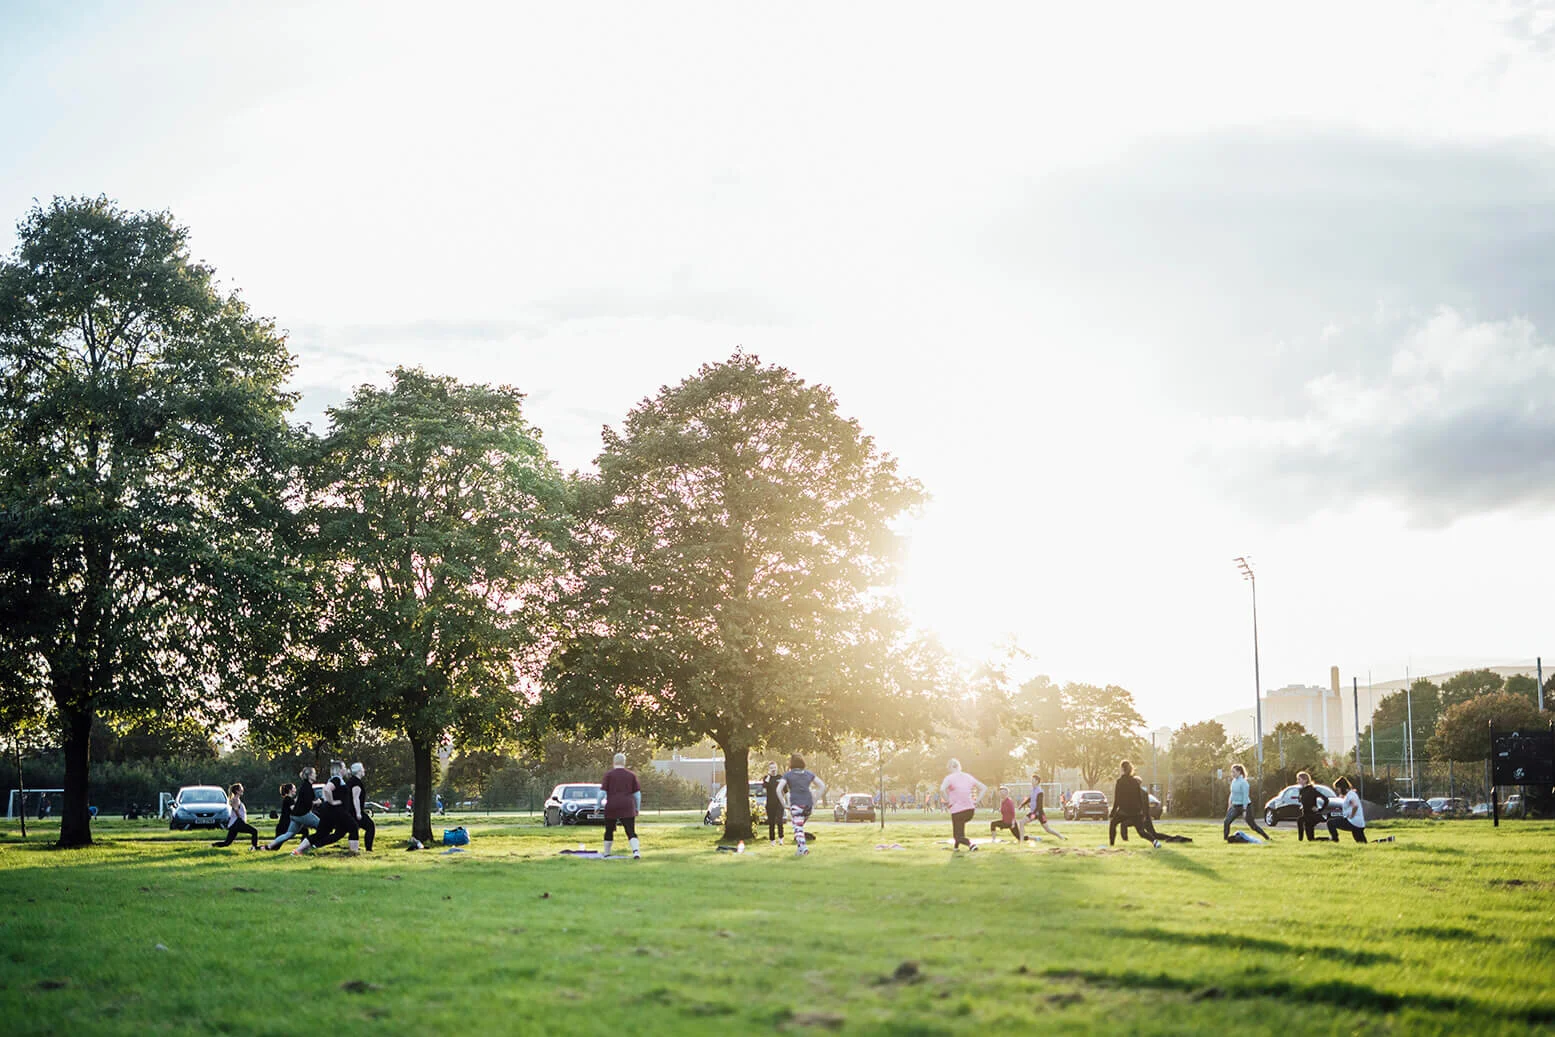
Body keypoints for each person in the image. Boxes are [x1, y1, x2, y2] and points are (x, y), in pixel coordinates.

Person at [294, 761, 352, 855]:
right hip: (330, 812)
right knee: (351, 827)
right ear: (340, 769)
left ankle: (303, 849)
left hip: (330, 811)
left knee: (323, 833)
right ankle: (354, 852)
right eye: (344, 767)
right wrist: (331, 802)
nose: (345, 769)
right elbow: (326, 790)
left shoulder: (337, 780)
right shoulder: (336, 779)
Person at [778, 755, 826, 857]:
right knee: (798, 827)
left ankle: (803, 849)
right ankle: (800, 850)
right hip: (808, 805)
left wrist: (784, 804)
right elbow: (822, 785)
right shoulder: (808, 774)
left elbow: (778, 789)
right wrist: (815, 801)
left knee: (798, 827)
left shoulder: (788, 775)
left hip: (796, 804)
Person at [600, 751, 643, 859]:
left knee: (609, 830)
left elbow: (602, 792)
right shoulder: (631, 775)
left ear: (613, 762)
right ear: (624, 762)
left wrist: (597, 805)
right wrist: (637, 808)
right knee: (630, 830)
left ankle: (606, 853)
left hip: (612, 805)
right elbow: (637, 794)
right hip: (627, 806)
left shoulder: (608, 775)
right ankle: (636, 852)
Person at [265, 768, 320, 850]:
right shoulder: (307, 787)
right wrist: (316, 802)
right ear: (309, 775)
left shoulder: (305, 786)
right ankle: (311, 846)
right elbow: (307, 803)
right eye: (314, 773)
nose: (316, 775)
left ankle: (268, 846)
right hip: (302, 814)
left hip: (295, 815)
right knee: (321, 826)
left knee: (289, 834)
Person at [941, 759, 987, 851]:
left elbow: (942, 790)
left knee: (957, 835)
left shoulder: (949, 778)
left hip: (957, 810)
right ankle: (956, 848)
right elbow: (984, 788)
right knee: (959, 829)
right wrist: (977, 800)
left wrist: (948, 801)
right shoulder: (968, 777)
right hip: (970, 810)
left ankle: (971, 844)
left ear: (950, 767)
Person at [1110, 761, 1160, 847]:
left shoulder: (1119, 782)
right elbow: (1139, 798)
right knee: (1141, 832)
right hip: (1136, 812)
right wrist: (1142, 812)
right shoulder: (1135, 782)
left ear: (1122, 769)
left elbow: (1117, 799)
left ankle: (1111, 844)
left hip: (1124, 811)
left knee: (1113, 823)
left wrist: (1113, 812)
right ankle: (1155, 842)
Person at [1223, 763, 1270, 842]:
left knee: (1252, 825)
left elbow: (1245, 797)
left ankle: (1267, 837)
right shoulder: (1234, 782)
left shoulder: (1244, 783)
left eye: (1234, 772)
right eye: (1231, 772)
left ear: (1239, 772)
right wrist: (1229, 804)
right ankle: (1226, 838)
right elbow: (1232, 793)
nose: (1232, 774)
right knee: (1226, 821)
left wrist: (1244, 810)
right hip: (1235, 806)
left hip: (1245, 806)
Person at [211, 783, 260, 849]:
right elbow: (236, 809)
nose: (242, 790)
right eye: (241, 789)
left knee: (227, 843)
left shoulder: (236, 799)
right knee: (254, 831)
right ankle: (254, 847)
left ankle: (212, 845)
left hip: (234, 824)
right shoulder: (235, 799)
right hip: (237, 822)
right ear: (237, 791)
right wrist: (240, 818)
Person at [1020, 774, 1067, 841]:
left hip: (1039, 813)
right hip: (1034, 813)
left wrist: (1034, 814)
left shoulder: (1040, 791)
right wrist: (1022, 805)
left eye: (1033, 780)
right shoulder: (1033, 790)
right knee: (1021, 822)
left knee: (1048, 829)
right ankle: (1021, 840)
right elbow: (1030, 798)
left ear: (1037, 781)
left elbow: (1039, 806)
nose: (1031, 781)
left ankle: (1061, 837)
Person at [1327, 776, 1367, 843]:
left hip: (1352, 822)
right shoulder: (1351, 794)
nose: (1338, 791)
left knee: (1330, 823)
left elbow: (1355, 806)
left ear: (1342, 787)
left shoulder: (1350, 795)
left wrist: (1351, 815)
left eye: (1338, 789)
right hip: (1359, 823)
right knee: (1361, 842)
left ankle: (1334, 839)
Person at [347, 762, 375, 853]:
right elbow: (356, 798)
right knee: (370, 826)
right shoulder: (357, 783)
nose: (364, 770)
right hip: (355, 811)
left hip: (349, 811)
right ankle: (368, 849)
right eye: (362, 769)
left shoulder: (351, 781)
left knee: (353, 829)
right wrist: (358, 812)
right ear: (359, 771)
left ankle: (353, 849)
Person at [1296, 771, 1329, 842]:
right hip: (1305, 814)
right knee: (1311, 839)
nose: (1297, 781)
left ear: (1305, 780)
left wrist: (1320, 809)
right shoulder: (1301, 791)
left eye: (1299, 779)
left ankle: (1300, 840)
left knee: (1300, 820)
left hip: (1312, 815)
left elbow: (1326, 799)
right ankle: (1329, 839)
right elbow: (1303, 801)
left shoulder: (1312, 790)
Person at [760, 762, 786, 845]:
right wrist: (769, 775)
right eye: (771, 768)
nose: (773, 769)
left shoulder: (780, 777)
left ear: (777, 768)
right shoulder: (766, 778)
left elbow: (785, 790)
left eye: (774, 767)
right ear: (769, 769)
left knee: (780, 821)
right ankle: (772, 840)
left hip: (779, 803)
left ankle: (781, 839)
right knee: (771, 822)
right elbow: (764, 786)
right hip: (770, 804)